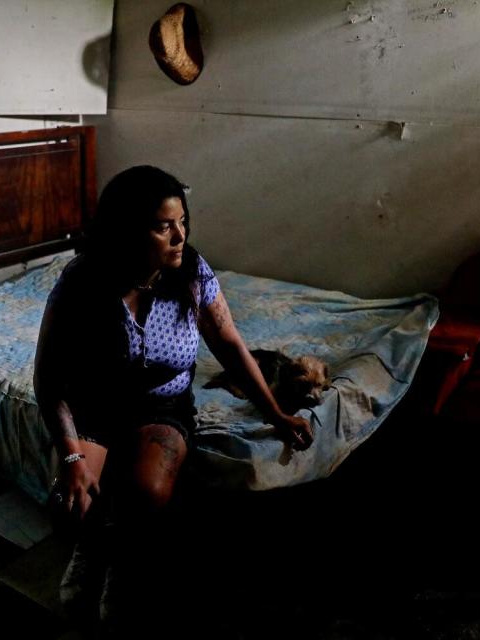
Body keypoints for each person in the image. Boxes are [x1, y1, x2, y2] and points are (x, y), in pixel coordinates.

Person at [33, 165, 313, 632]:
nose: (180, 236)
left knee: (146, 492)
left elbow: (230, 344)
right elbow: (49, 378)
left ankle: (119, 567)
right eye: (164, 226)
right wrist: (71, 455)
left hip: (163, 406)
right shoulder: (82, 282)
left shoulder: (192, 274)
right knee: (69, 499)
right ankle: (91, 548)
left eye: (182, 222)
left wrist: (278, 414)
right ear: (126, 230)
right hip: (95, 404)